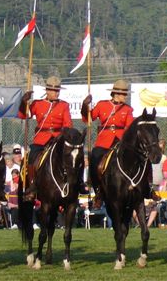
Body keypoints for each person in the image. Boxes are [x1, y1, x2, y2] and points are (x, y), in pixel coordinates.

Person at [81, 80, 152, 208]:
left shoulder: (127, 109)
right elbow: (88, 118)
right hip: (104, 141)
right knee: (95, 158)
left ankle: (147, 187)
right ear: (116, 94)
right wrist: (84, 106)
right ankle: (98, 192)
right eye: (124, 94)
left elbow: (129, 127)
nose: (125, 96)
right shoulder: (102, 105)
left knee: (141, 158)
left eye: (126, 94)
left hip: (121, 142)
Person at [19, 76, 73, 201]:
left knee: (71, 158)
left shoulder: (64, 105)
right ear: (47, 91)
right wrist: (23, 102)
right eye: (53, 90)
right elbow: (24, 115)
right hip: (41, 139)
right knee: (32, 157)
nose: (56, 93)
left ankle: (75, 183)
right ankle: (32, 185)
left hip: (58, 138)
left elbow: (68, 124)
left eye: (57, 91)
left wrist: (62, 136)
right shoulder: (37, 104)